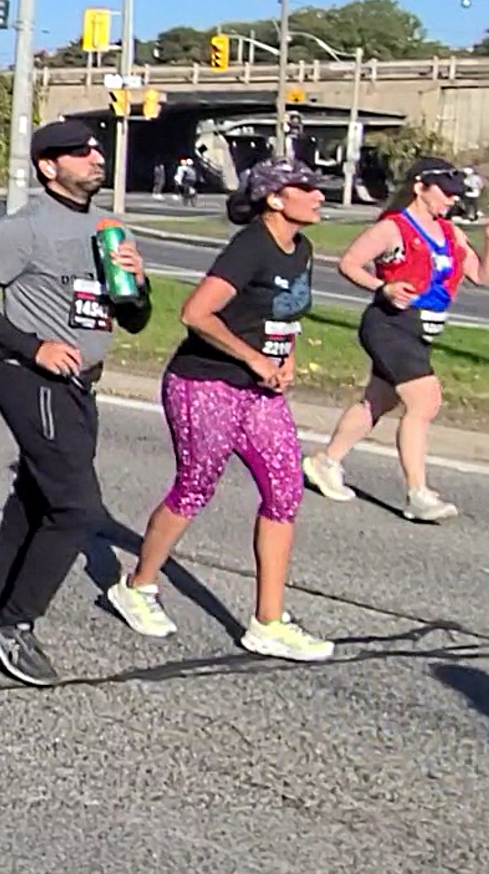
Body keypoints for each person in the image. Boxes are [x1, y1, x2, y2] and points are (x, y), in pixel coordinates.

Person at [0, 119, 151, 687]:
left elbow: (132, 319)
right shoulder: (25, 228)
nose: (93, 156)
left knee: (35, 499)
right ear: (47, 166)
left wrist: (138, 283)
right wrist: (34, 347)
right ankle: (13, 623)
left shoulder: (109, 228)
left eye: (95, 149)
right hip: (29, 378)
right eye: (77, 151)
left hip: (82, 383)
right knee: (77, 507)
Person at [107, 159, 335, 662]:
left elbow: (285, 315)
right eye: (306, 189)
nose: (319, 197)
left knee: (285, 490)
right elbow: (195, 313)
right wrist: (255, 358)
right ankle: (137, 585)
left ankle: (269, 623)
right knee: (195, 487)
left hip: (261, 390)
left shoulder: (301, 249)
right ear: (275, 199)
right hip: (204, 383)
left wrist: (286, 360)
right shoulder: (251, 246)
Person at [303, 158, 489, 523]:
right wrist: (384, 287)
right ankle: (417, 494)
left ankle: (326, 461)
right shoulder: (394, 228)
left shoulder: (450, 232)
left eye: (454, 195)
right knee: (425, 401)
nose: (450, 201)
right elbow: (348, 263)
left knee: (377, 401)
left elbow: (482, 277)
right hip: (390, 325)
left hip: (423, 329)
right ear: (419, 187)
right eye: (444, 193)